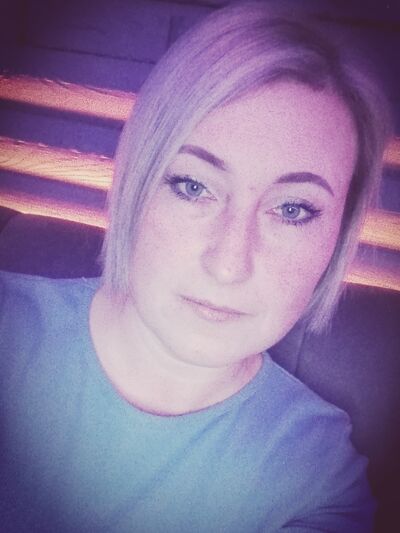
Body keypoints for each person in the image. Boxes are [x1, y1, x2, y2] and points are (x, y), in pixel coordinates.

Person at [0, 1, 391, 531]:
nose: (229, 265)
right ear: (135, 181)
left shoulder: (315, 482)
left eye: (293, 210)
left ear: (337, 238)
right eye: (192, 186)